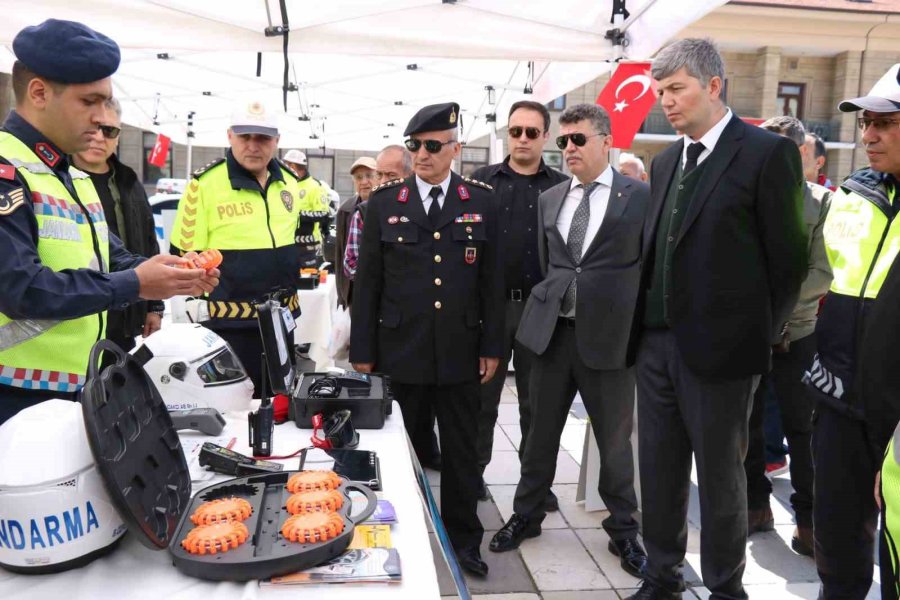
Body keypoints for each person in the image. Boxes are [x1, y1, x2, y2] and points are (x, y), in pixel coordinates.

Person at [629, 39, 807, 600]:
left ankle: (727, 589)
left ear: (713, 85)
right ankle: (662, 579)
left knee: (722, 481)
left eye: (676, 89)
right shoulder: (664, 162)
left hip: (723, 356)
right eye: (661, 93)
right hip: (656, 347)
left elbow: (790, 260)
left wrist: (755, 334)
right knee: (657, 475)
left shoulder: (764, 154)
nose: (668, 103)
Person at [0, 19, 218, 424]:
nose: (103, 118)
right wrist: (137, 283)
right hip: (14, 397)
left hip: (73, 388)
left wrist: (172, 274)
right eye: (90, 101)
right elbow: (20, 288)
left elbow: (109, 257)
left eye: (107, 102)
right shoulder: (6, 169)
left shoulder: (71, 175)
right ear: (39, 93)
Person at [489, 103, 649, 579]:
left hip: (611, 339)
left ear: (605, 140)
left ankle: (624, 530)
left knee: (615, 442)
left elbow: (650, 266)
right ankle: (527, 513)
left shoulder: (639, 198)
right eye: (563, 141)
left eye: (578, 139)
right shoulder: (551, 198)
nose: (569, 149)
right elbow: (552, 265)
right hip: (553, 334)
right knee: (539, 434)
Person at [350, 102, 503, 577]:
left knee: (461, 454)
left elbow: (492, 283)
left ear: (455, 149)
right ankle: (408, 537)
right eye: (416, 145)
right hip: (402, 350)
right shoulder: (383, 203)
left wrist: (493, 345)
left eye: (434, 146)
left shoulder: (481, 201)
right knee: (403, 451)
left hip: (460, 350)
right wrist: (363, 352)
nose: (422, 154)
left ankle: (464, 541)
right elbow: (368, 283)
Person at [805, 63, 900, 600]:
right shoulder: (851, 194)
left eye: (885, 123)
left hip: (897, 418)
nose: (867, 136)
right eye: (866, 122)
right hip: (839, 405)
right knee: (838, 548)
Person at [742, 116, 832, 557]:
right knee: (749, 426)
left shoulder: (822, 203)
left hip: (799, 334)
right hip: (751, 333)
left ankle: (809, 521)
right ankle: (756, 506)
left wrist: (779, 311)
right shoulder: (747, 199)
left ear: (797, 154)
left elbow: (824, 271)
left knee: (803, 432)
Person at [169, 101, 303, 397]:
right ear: (230, 136)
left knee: (282, 408)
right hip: (229, 324)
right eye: (245, 137)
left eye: (263, 138)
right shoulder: (204, 185)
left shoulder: (290, 184)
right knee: (237, 414)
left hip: (282, 321)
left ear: (277, 141)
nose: (253, 146)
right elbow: (184, 257)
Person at [469, 100, 566, 503]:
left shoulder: (562, 186)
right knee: (481, 401)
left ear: (545, 135)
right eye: (515, 131)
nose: (522, 139)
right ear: (506, 134)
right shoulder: (480, 182)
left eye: (531, 132)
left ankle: (535, 487)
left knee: (538, 404)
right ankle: (471, 477)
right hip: (489, 309)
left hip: (540, 310)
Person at [71, 97, 165, 359]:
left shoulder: (128, 181)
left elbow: (148, 243)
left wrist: (154, 306)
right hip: (77, 313)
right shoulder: (57, 178)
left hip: (125, 313)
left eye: (109, 131)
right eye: (93, 129)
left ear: (118, 137)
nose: (100, 137)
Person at [335, 156, 376, 307]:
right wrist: (341, 297)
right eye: (358, 177)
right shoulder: (345, 210)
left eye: (369, 176)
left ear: (379, 177)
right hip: (352, 292)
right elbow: (340, 256)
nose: (364, 182)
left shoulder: (387, 206)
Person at [282, 148, 330, 269]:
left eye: (285, 165)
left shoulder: (315, 186)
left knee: (307, 283)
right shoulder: (285, 184)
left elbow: (324, 215)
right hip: (286, 244)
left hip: (309, 246)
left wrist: (298, 215)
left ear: (292, 166)